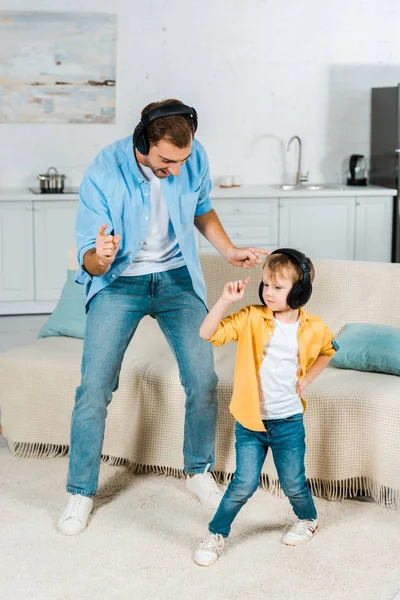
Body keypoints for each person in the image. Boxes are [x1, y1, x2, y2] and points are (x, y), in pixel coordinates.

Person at [58, 98, 269, 536]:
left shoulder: (191, 156)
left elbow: (201, 206)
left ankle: (197, 470)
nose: (175, 169)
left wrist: (228, 251)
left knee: (203, 379)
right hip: (119, 282)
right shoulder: (103, 172)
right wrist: (100, 257)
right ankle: (80, 491)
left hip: (176, 280)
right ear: (143, 142)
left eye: (182, 160)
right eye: (166, 161)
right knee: (94, 387)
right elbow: (88, 259)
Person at [193, 248, 339, 566]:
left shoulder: (315, 327)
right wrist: (225, 301)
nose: (267, 292)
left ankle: (308, 519)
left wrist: (308, 379)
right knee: (242, 483)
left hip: (288, 423)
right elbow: (207, 333)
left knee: (293, 483)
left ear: (300, 292)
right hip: (251, 423)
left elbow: (330, 349)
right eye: (266, 285)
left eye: (277, 287)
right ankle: (216, 533)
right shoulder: (250, 318)